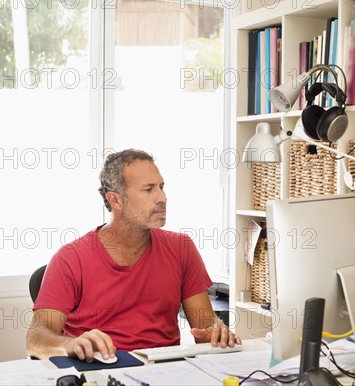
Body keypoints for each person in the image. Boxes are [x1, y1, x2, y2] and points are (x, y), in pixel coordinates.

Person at [26, 149, 241, 361]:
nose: (162, 198)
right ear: (115, 200)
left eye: (161, 187)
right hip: (101, 372)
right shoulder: (71, 258)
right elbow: (36, 339)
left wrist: (216, 333)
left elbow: (205, 327)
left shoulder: (182, 248)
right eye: (148, 190)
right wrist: (69, 343)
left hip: (164, 372)